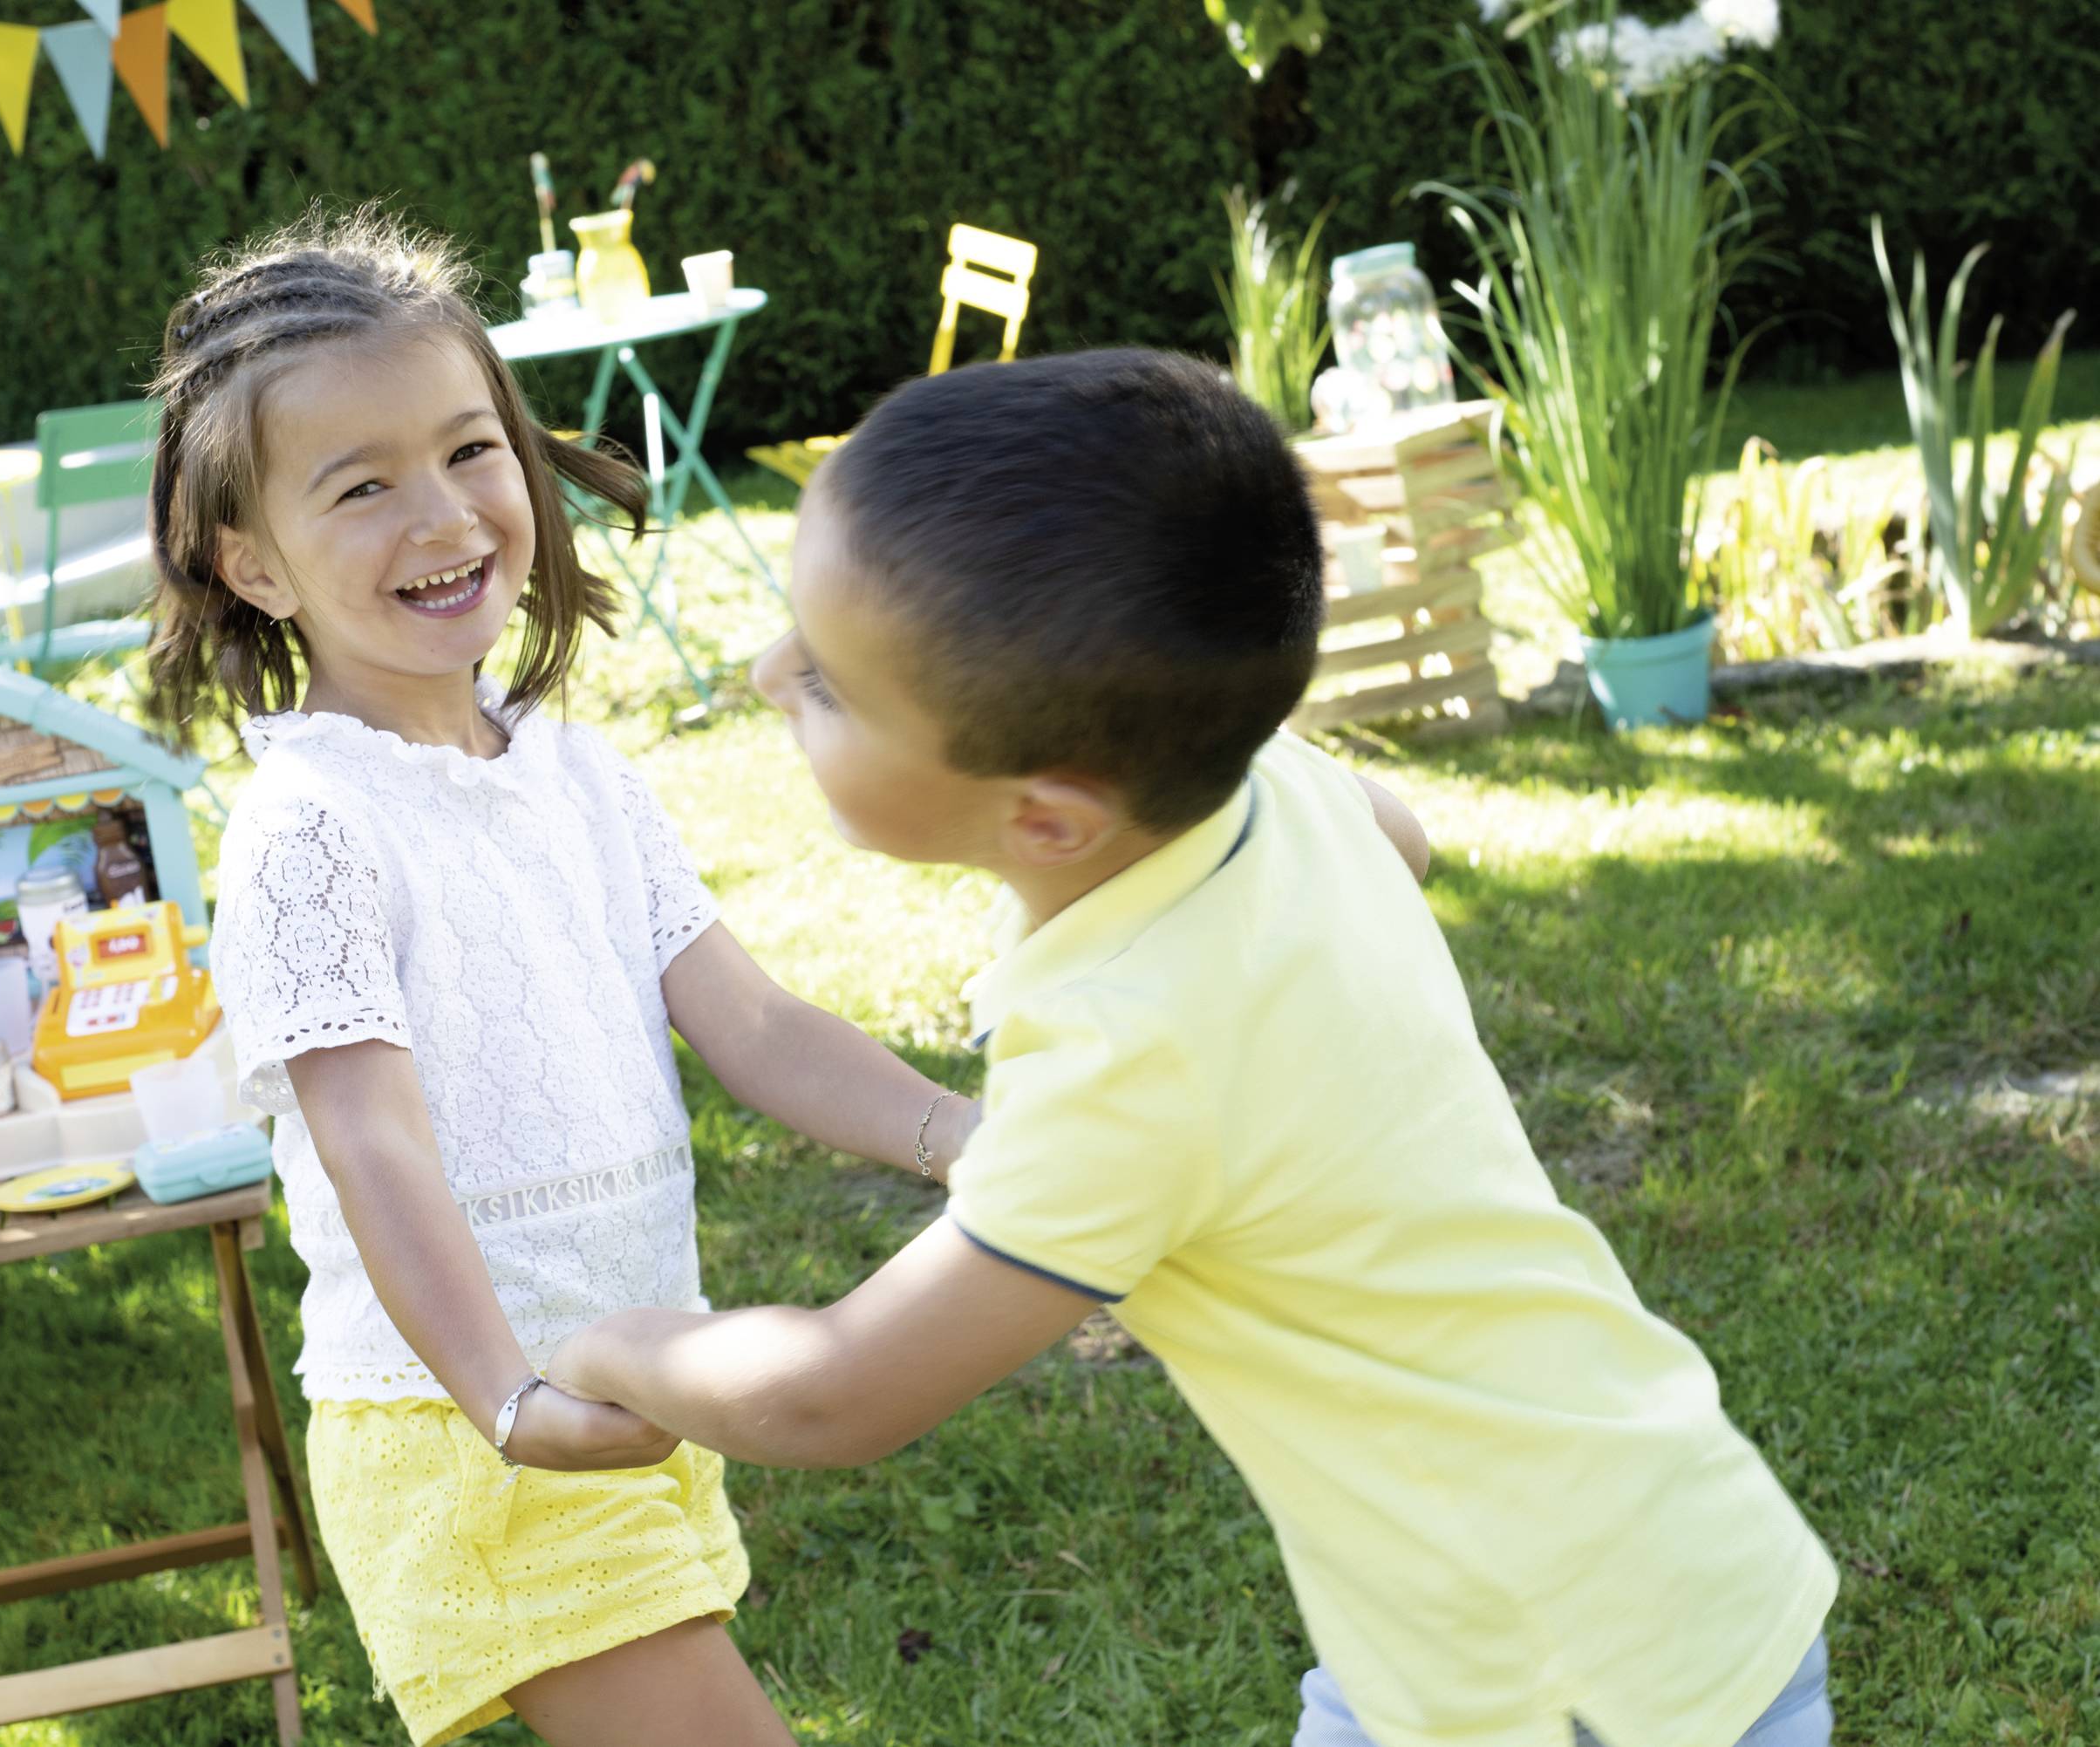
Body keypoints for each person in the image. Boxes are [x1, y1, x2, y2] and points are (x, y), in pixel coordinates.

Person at [549, 350, 1838, 1747]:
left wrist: (614, 1346)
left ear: (1047, 818)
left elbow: (834, 1393)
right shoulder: (1268, 782)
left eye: (829, 685)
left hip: (1544, 1672)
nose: (763, 673)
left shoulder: (1123, 1060)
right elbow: (1399, 839)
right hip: (1637, 1539)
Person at [146, 208, 980, 1747]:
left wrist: (964, 1139)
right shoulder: (310, 826)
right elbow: (372, 1144)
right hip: (464, 1429)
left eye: (471, 450)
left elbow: (757, 1025)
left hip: (629, 1384)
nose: (446, 514)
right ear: (249, 562)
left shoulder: (580, 779)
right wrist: (502, 1403)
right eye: (363, 485)